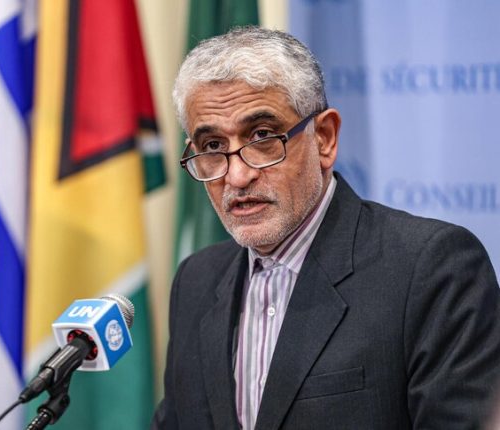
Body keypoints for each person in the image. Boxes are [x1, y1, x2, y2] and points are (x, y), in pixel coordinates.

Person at [152, 26, 500, 430]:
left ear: (324, 138)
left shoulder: (432, 269)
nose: (237, 175)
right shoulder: (195, 281)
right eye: (213, 146)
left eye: (262, 136)